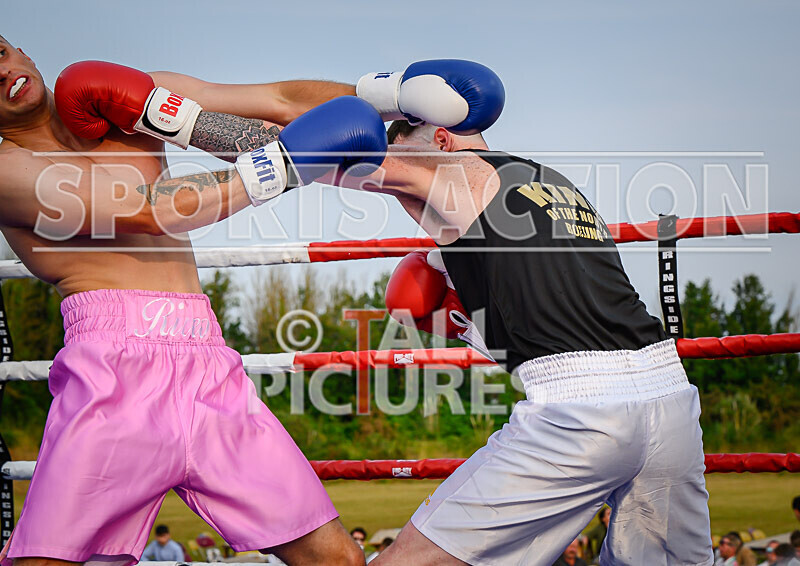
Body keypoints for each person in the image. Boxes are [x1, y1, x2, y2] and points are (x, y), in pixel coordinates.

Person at [0, 32, 500, 564]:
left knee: (338, 560)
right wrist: (283, 163)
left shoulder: (134, 97)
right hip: (111, 374)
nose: (3, 74)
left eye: (0, 55)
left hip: (209, 366)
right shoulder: (8, 169)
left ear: (20, 49)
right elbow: (148, 210)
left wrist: (395, 99)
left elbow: (281, 103)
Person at [331, 118, 713, 565]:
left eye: (403, 155)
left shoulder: (461, 178)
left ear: (440, 140)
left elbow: (340, 158)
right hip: (668, 395)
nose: (408, 193)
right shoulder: (551, 183)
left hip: (582, 411)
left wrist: (259, 146)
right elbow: (551, 320)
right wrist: (466, 319)